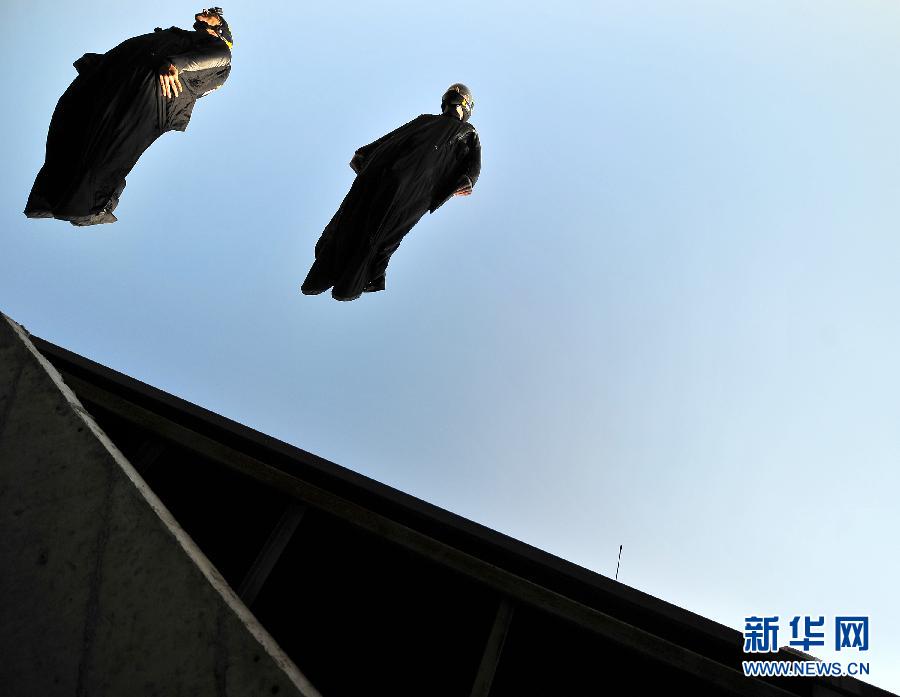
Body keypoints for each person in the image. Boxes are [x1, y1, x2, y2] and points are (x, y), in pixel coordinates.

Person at [24, 8, 234, 226]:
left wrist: (175, 64)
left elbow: (218, 58)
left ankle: (90, 205)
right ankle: (53, 195)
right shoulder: (183, 36)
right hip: (120, 77)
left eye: (212, 12)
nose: (204, 11)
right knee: (75, 119)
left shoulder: (220, 48)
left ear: (219, 25)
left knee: (112, 144)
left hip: (148, 87)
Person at [301, 83, 482, 301]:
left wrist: (467, 180)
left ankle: (359, 274)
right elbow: (395, 137)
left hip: (408, 179)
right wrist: (367, 153)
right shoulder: (430, 121)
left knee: (378, 224)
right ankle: (342, 271)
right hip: (395, 175)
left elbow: (472, 164)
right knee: (362, 216)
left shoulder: (465, 132)